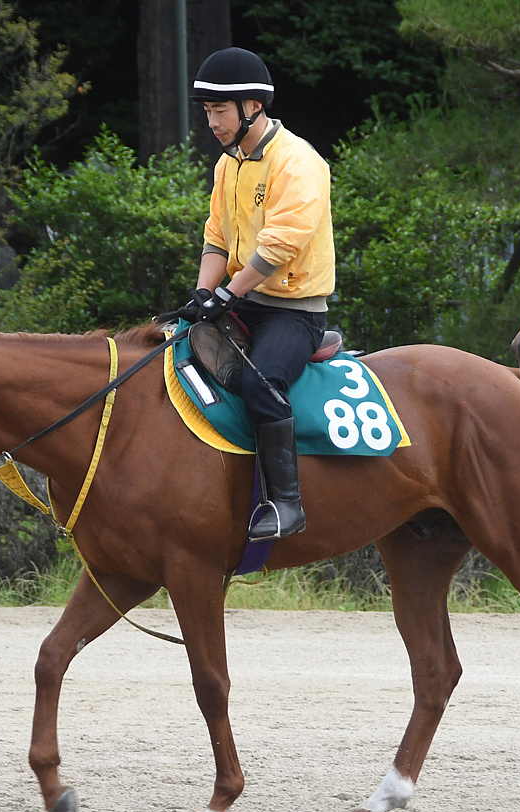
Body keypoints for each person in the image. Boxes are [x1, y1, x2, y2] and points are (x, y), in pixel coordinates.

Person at [179, 47, 336, 541]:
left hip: (293, 311)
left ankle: (286, 504)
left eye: (218, 111)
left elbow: (282, 244)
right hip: (242, 298)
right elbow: (216, 238)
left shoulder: (299, 161)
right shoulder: (230, 165)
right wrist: (203, 297)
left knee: (262, 382)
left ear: (253, 107)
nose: (211, 122)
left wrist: (227, 293)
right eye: (207, 112)